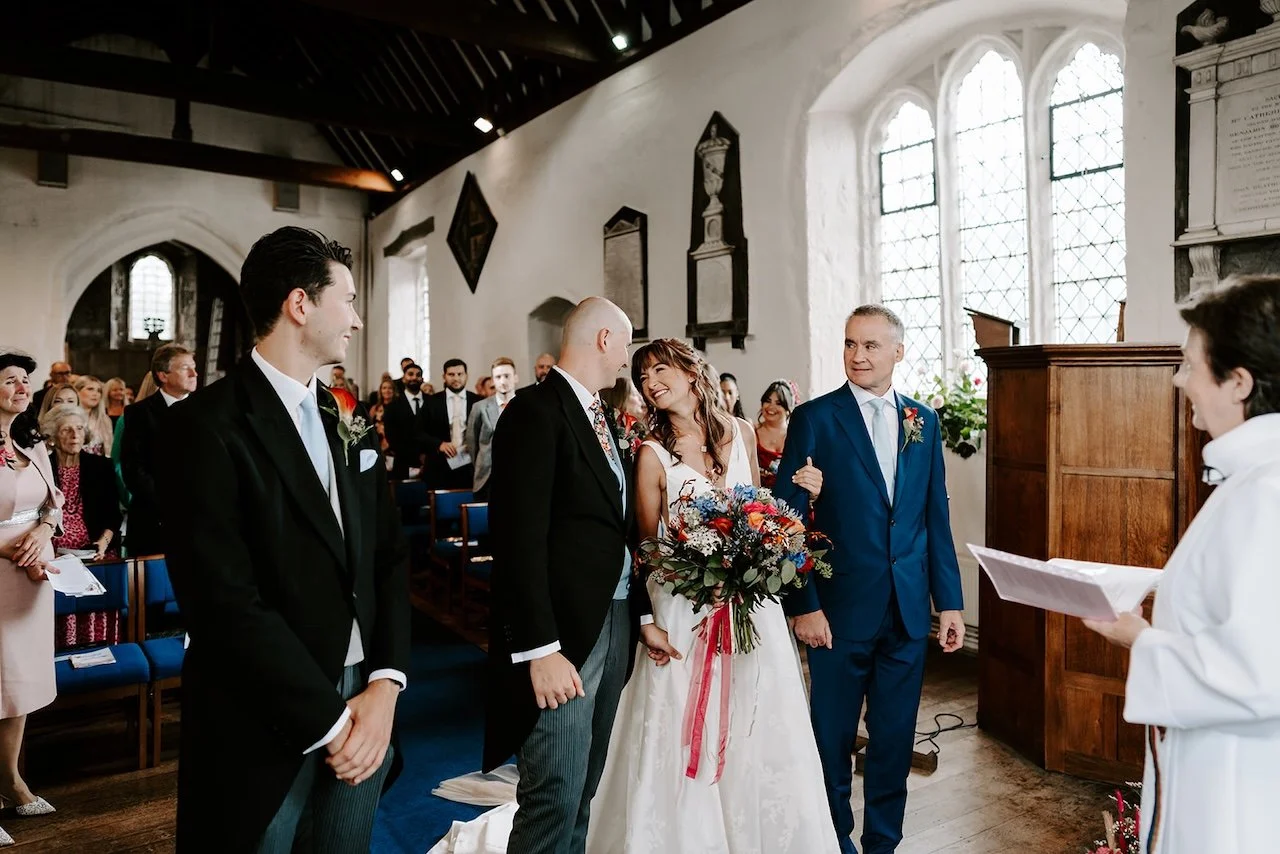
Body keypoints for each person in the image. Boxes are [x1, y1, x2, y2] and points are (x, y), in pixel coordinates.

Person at [158, 226, 409, 852]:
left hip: (364, 698)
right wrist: (329, 722)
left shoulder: (342, 417)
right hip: (265, 711)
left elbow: (386, 557)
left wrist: (384, 685)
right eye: (347, 300)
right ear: (301, 305)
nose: (354, 319)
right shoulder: (205, 426)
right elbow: (223, 602)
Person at [588, 338, 838, 853]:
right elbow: (647, 548)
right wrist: (685, 585)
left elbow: (761, 512)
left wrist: (794, 506)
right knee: (680, 726)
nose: (652, 382)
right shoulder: (652, 456)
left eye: (661, 368)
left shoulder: (742, 433)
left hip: (751, 610)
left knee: (759, 721)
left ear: (691, 368)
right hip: (683, 610)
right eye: (643, 377)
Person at [1083, 275, 1280, 854]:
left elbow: (1263, 670)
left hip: (1240, 786)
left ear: (1238, 382)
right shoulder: (1251, 479)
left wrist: (1140, 640)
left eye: (1190, 365)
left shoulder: (1267, 493)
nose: (1179, 380)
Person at [775, 304, 965, 854]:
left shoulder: (923, 422)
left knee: (894, 742)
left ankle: (884, 843)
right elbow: (783, 522)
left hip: (906, 612)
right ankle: (836, 841)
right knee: (830, 741)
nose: (858, 355)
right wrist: (803, 604)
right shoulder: (815, 417)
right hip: (836, 613)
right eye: (850, 344)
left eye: (871, 346)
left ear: (898, 353)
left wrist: (948, 602)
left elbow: (934, 517)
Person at [483, 297, 640, 854]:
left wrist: (639, 615)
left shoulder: (604, 417)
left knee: (584, 792)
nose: (627, 357)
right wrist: (539, 648)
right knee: (553, 796)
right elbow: (516, 539)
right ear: (602, 339)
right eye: (624, 343)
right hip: (563, 638)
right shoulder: (534, 410)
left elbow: (612, 526)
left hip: (614, 618)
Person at [0, 351, 63, 847]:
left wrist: (43, 531)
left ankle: (10, 779)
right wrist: (14, 547)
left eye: (25, 381)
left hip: (31, 579)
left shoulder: (31, 442)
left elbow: (54, 502)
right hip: (3, 570)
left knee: (17, 686)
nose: (22, 387)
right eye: (10, 380)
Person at [43, 404, 124, 649]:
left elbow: (113, 515)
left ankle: (99, 656)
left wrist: (103, 542)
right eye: (66, 430)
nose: (75, 435)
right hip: (53, 557)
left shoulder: (101, 466)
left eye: (79, 429)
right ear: (54, 436)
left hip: (94, 552)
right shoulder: (42, 468)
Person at [120, 344, 197, 556]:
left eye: (194, 367)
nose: (194, 374)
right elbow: (134, 470)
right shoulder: (139, 414)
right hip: (154, 520)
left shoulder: (210, 410)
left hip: (201, 521)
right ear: (163, 375)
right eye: (185, 368)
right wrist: (172, 505)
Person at [421, 359, 480, 489]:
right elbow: (418, 433)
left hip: (471, 467)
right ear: (444, 376)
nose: (456, 378)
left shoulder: (478, 401)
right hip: (439, 466)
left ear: (466, 375)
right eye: (451, 374)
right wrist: (438, 444)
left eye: (460, 374)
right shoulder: (431, 402)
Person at [382, 363, 427, 480]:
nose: (414, 378)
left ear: (422, 379)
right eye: (410, 374)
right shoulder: (393, 406)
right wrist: (415, 456)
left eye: (418, 375)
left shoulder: (432, 401)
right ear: (403, 379)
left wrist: (426, 455)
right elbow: (391, 436)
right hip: (403, 462)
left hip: (429, 462)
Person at [756, 379, 794, 489]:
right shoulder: (751, 432)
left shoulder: (796, 436)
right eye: (768, 401)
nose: (771, 407)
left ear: (788, 409)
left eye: (778, 403)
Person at [74, 375, 114, 456]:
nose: (95, 394)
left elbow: (109, 450)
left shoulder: (105, 420)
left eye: (99, 391)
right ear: (77, 391)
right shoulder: (68, 419)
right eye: (90, 389)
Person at [369, 378, 397, 452]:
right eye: (384, 388)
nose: (387, 390)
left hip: (394, 444)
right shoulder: (375, 408)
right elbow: (369, 426)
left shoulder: (399, 407)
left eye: (390, 388)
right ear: (380, 391)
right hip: (377, 444)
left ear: (394, 391)